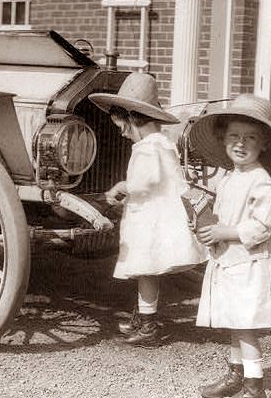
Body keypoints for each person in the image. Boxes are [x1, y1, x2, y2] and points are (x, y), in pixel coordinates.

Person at [88, 72, 207, 347]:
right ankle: (143, 318)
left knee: (146, 271)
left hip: (151, 221)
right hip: (161, 216)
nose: (122, 132)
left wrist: (121, 186)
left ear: (133, 118)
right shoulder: (163, 142)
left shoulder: (146, 147)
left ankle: (148, 325)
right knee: (147, 272)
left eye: (122, 126)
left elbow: (145, 182)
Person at [191, 94, 271, 398]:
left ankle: (255, 386)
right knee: (235, 321)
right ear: (223, 140)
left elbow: (260, 227)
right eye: (233, 136)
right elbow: (224, 215)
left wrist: (224, 231)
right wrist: (204, 224)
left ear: (265, 144)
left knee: (246, 326)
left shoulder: (262, 181)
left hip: (251, 264)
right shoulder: (229, 178)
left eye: (250, 138)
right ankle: (237, 374)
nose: (240, 143)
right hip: (231, 262)